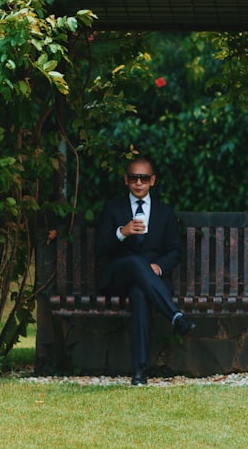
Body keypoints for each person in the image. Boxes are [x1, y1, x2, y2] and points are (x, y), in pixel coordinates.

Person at [95, 157, 195, 385]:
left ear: (153, 181)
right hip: (118, 276)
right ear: (126, 180)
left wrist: (159, 267)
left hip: (152, 282)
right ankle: (176, 316)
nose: (138, 182)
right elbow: (99, 249)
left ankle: (140, 371)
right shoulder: (113, 208)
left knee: (141, 293)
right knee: (134, 262)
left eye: (144, 178)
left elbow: (174, 251)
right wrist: (122, 232)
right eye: (133, 177)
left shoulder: (165, 212)